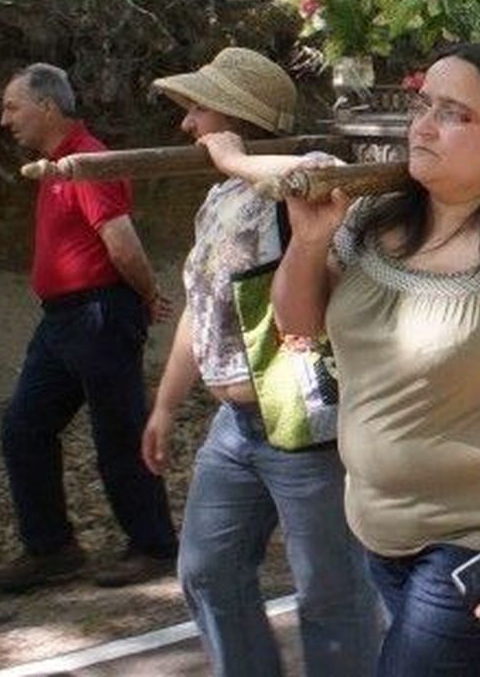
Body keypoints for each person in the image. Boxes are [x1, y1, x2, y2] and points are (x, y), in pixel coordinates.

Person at [271, 43, 480, 675]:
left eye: (453, 114)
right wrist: (309, 242)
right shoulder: (373, 218)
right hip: (380, 533)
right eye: (423, 105)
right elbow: (297, 326)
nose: (423, 126)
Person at [140, 48, 379, 675]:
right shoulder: (218, 198)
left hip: (303, 420)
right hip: (234, 426)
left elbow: (324, 174)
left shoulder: (303, 174)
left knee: (331, 589)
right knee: (207, 571)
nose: (188, 126)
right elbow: (199, 306)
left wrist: (234, 158)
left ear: (236, 117)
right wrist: (166, 405)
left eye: (199, 109)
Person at [0, 63, 178, 592]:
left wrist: (146, 293)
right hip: (62, 320)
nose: (5, 120)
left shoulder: (88, 161)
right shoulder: (58, 166)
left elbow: (121, 241)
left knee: (118, 430)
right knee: (24, 427)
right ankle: (52, 549)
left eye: (12, 107)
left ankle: (153, 546)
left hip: (99, 313)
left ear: (47, 106)